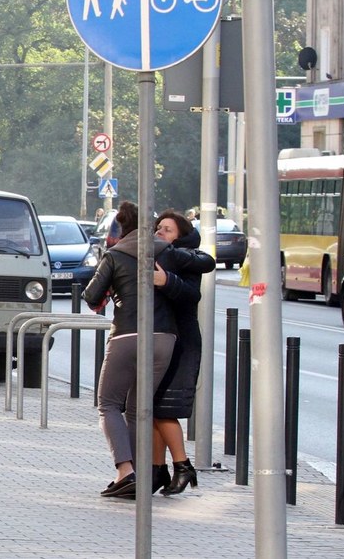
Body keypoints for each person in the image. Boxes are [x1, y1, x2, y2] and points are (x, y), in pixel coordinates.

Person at [82, 201, 180, 499]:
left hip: (127, 334)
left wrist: (114, 289)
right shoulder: (167, 252)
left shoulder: (114, 255)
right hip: (164, 337)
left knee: (109, 403)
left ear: (121, 229)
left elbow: (91, 296)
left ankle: (125, 471)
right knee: (139, 408)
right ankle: (138, 475)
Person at [150, 210, 216, 496]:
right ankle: (156, 470)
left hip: (182, 341)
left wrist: (167, 282)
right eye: (159, 228)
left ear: (181, 235)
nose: (160, 233)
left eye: (168, 230)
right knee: (151, 408)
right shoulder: (160, 256)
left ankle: (182, 465)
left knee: (164, 408)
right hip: (160, 338)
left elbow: (193, 295)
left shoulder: (184, 258)